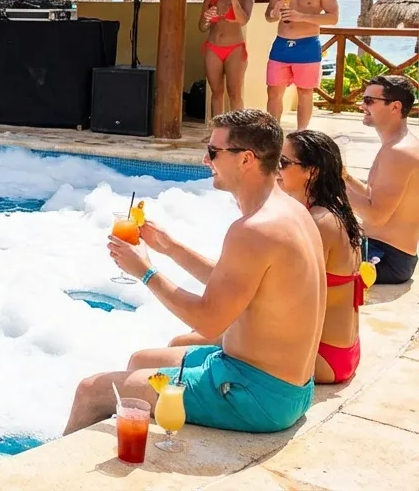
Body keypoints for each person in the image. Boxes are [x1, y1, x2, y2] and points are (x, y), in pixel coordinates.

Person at [64, 109, 324, 435]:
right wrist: (170, 247)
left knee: (91, 390)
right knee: (141, 360)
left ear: (246, 159)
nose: (205, 160)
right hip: (288, 387)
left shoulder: (255, 229)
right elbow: (243, 284)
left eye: (214, 151)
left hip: (255, 395)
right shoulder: (290, 212)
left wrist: (144, 271)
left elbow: (209, 321)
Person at [279, 130, 365, 384]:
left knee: (187, 343)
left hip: (323, 357)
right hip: (342, 351)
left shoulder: (319, 223)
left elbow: (280, 294)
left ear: (312, 172)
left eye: (283, 162)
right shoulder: (334, 209)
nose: (276, 169)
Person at [345, 75, 418, 284]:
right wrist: (346, 177)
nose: (361, 106)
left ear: (395, 107)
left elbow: (376, 216)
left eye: (369, 101)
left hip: (388, 258)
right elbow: (373, 196)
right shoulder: (395, 145)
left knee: (300, 263)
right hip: (383, 250)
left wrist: (334, 184)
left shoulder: (399, 153)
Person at [264, 0, 338, 131]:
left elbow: (333, 17)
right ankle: (273, 134)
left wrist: (302, 17)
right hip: (281, 44)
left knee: (305, 92)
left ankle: (301, 134)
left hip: (307, 45)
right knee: (273, 91)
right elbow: (268, 17)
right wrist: (275, 12)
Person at [199, 0, 253, 116]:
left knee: (234, 92)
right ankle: (216, 132)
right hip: (213, 47)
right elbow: (202, 27)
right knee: (216, 92)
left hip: (235, 48)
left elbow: (243, 20)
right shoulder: (210, 0)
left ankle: (237, 132)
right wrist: (207, 19)